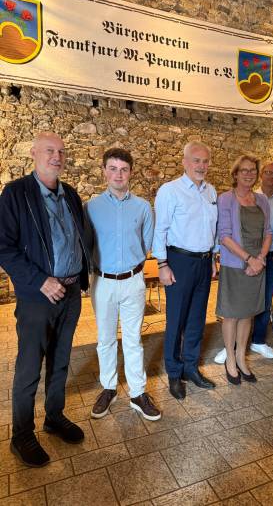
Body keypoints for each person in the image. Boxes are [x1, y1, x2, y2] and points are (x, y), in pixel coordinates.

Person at [0, 132, 89, 467]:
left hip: (71, 294)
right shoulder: (16, 193)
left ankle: (54, 416)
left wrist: (81, 278)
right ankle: (22, 434)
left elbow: (77, 239)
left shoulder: (71, 194)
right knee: (29, 367)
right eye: (50, 150)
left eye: (61, 152)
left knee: (61, 360)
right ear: (34, 153)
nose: (57, 157)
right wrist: (40, 281)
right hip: (38, 296)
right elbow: (3, 247)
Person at [85, 148, 160, 421]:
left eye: (124, 169)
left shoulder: (143, 207)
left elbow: (146, 243)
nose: (118, 174)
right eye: (113, 168)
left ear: (131, 173)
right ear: (104, 171)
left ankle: (138, 393)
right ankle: (108, 388)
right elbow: (86, 244)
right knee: (105, 339)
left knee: (132, 340)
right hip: (103, 282)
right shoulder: (91, 207)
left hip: (133, 281)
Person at [152, 141, 218, 400]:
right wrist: (162, 264)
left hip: (204, 262)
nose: (201, 166)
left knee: (197, 319)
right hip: (178, 261)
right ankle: (174, 372)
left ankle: (191, 368)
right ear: (185, 162)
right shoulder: (170, 191)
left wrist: (213, 258)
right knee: (176, 320)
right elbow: (160, 230)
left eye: (205, 161)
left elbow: (212, 229)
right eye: (196, 160)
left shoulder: (211, 191)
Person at [214, 161, 273, 364]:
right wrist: (249, 259)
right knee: (231, 314)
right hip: (235, 264)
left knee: (248, 314)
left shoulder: (261, 199)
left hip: (258, 265)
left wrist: (260, 259)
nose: (248, 174)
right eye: (244, 170)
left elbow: (268, 232)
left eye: (252, 170)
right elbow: (224, 236)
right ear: (235, 174)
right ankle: (230, 358)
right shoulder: (226, 199)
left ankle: (241, 358)